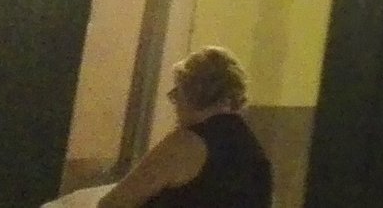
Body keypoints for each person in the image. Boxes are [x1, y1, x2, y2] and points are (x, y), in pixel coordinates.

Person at [100, 47, 273, 208]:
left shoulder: (187, 143)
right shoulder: (255, 154)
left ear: (193, 92)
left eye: (176, 94)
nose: (175, 105)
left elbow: (113, 203)